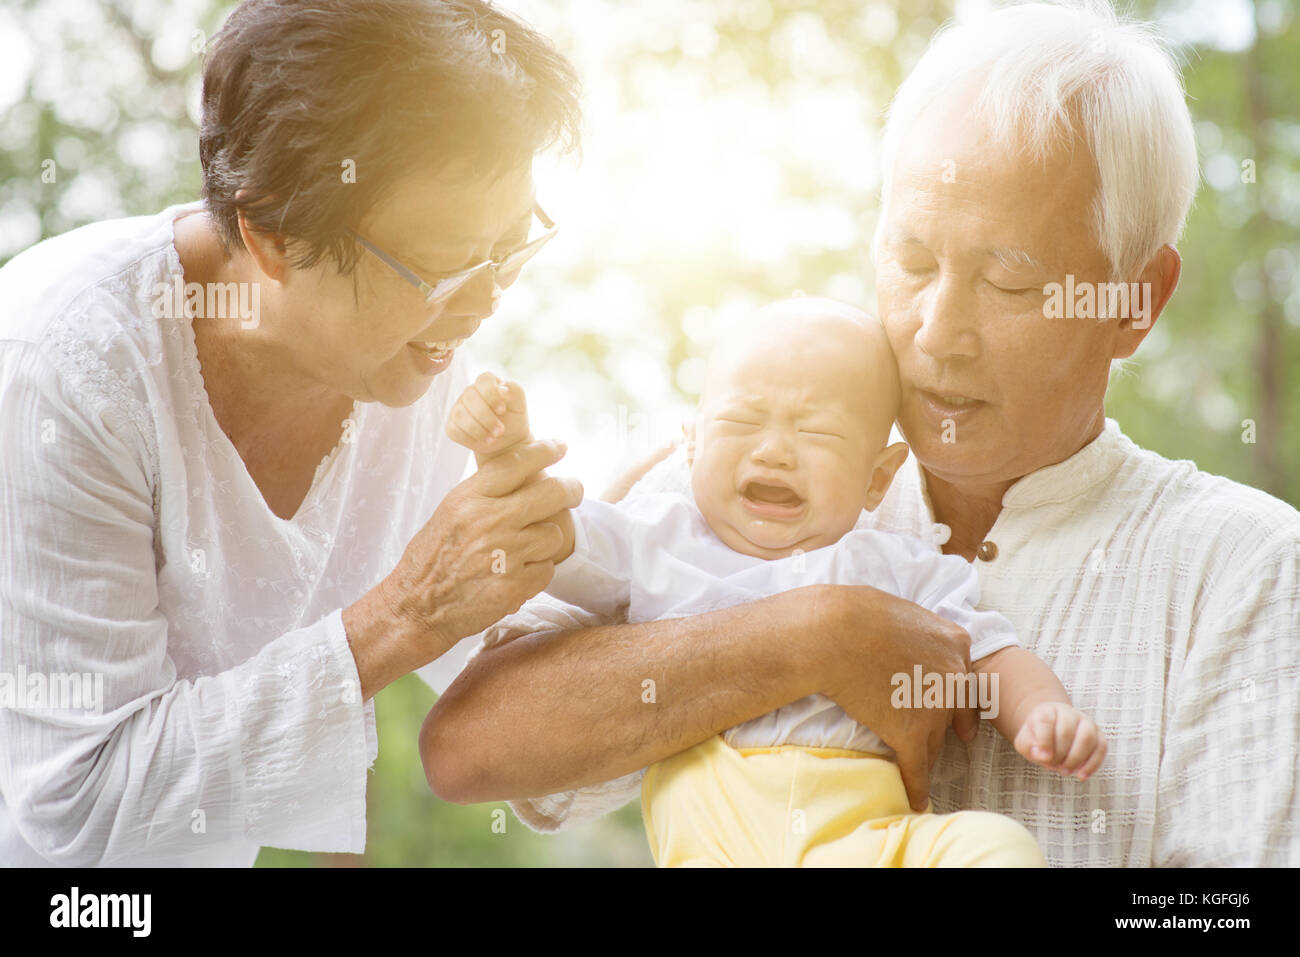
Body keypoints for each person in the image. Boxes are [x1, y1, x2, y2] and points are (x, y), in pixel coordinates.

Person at [421, 1, 1300, 866]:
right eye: (912, 262)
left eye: (1008, 280)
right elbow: (468, 747)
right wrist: (809, 633)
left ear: (1135, 300)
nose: (935, 330)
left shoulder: (1246, 569)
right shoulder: (725, 483)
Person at [0, 0, 583, 866]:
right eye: (445, 266)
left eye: (508, 246)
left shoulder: (407, 359)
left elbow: (497, 668)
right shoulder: (67, 366)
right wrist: (404, 616)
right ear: (270, 232)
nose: (487, 301)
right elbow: (74, 809)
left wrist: (654, 551)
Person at [438, 297, 1111, 866]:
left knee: (997, 846)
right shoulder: (659, 537)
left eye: (815, 431)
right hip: (714, 840)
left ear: (877, 478)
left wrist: (1041, 712)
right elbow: (558, 532)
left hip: (867, 839)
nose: (772, 449)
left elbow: (987, 648)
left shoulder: (893, 566)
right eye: (740, 420)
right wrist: (507, 456)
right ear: (694, 441)